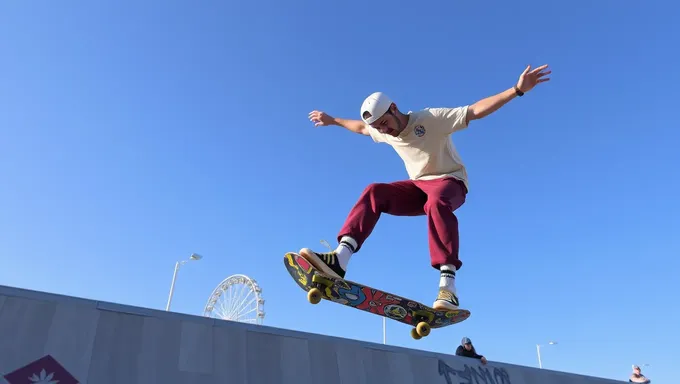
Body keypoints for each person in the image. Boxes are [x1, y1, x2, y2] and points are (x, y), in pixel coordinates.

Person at [300, 64, 551, 310]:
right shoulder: (382, 131)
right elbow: (360, 128)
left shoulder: (431, 119)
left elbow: (474, 111)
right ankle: (340, 259)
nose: (385, 131)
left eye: (385, 123)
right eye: (379, 128)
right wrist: (332, 120)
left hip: (450, 182)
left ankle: (448, 286)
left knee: (436, 201)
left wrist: (516, 90)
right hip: (418, 187)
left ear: (394, 108)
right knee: (374, 191)